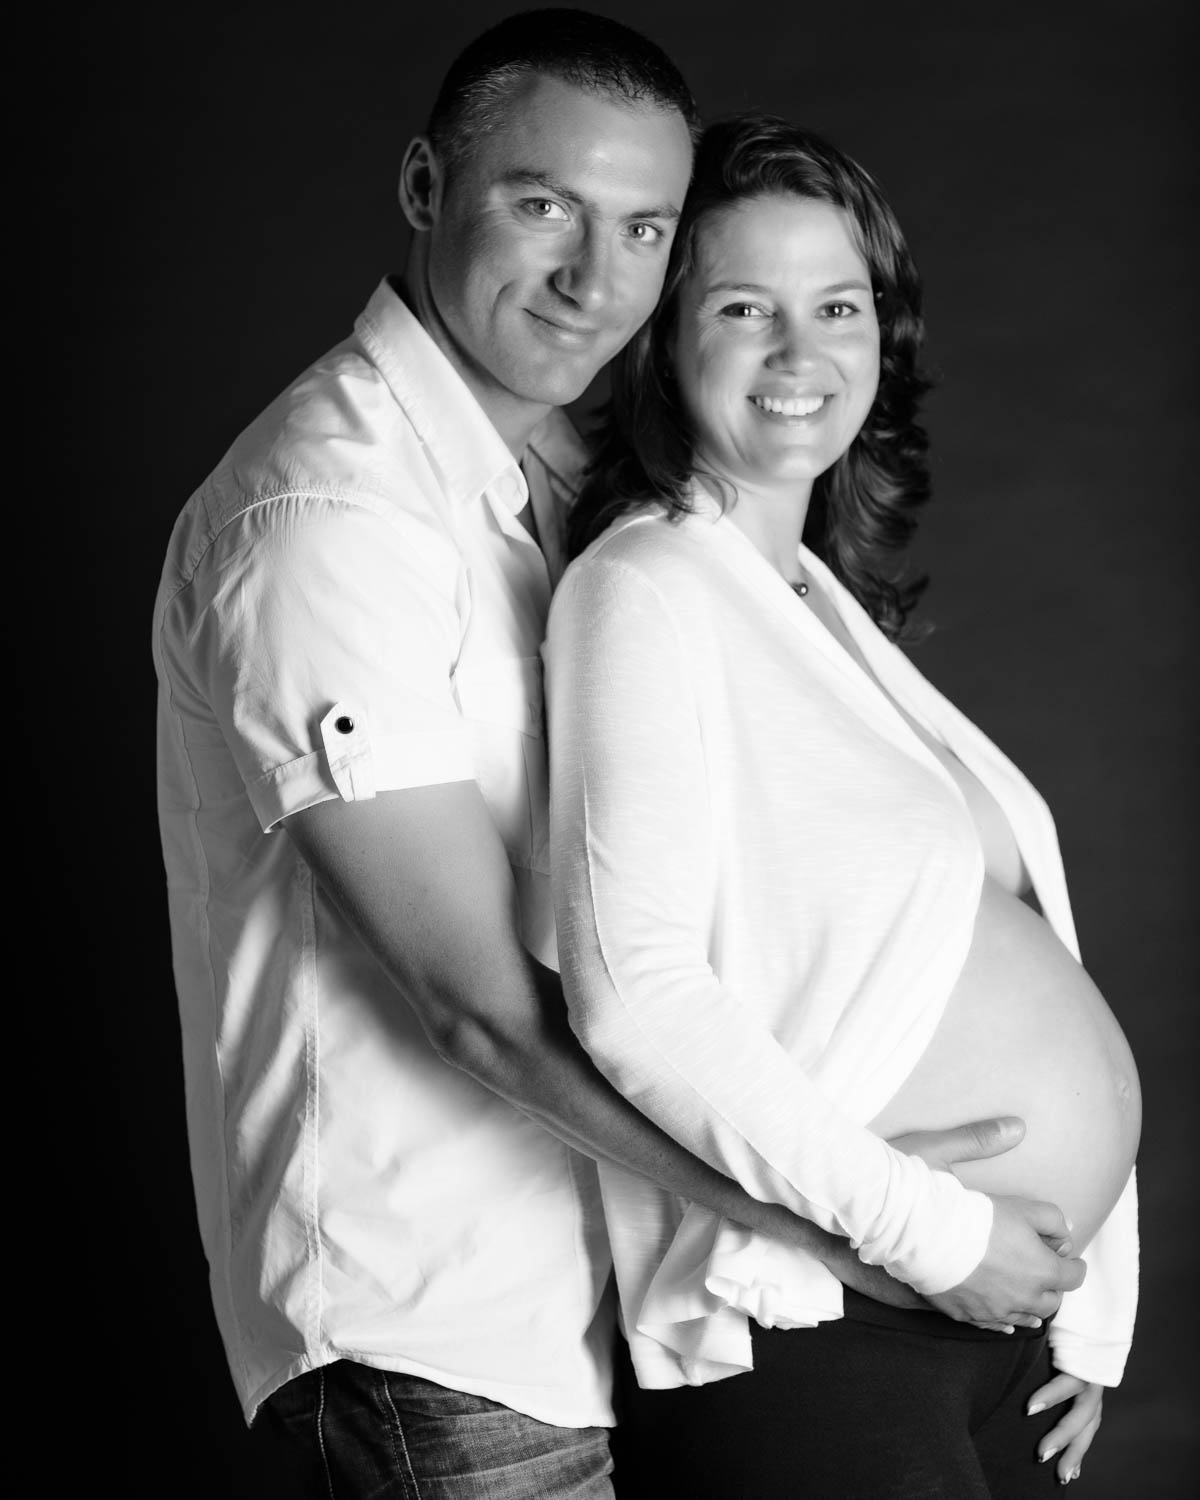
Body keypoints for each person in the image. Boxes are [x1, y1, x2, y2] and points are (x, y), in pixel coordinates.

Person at [153, 11, 1084, 1492]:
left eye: (645, 226)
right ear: (421, 189)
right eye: (542, 208)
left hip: (620, 1304)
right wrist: (866, 1232)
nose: (596, 278)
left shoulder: (579, 489)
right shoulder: (329, 516)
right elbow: (478, 1013)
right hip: (442, 1335)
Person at [545, 113, 1140, 1497]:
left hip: (987, 1338)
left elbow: (1008, 940)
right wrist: (935, 1236)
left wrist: (1088, 1304)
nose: (802, 354)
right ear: (661, 338)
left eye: (838, 306)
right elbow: (634, 995)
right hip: (827, 1331)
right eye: (746, 306)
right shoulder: (642, 590)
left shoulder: (811, 605)